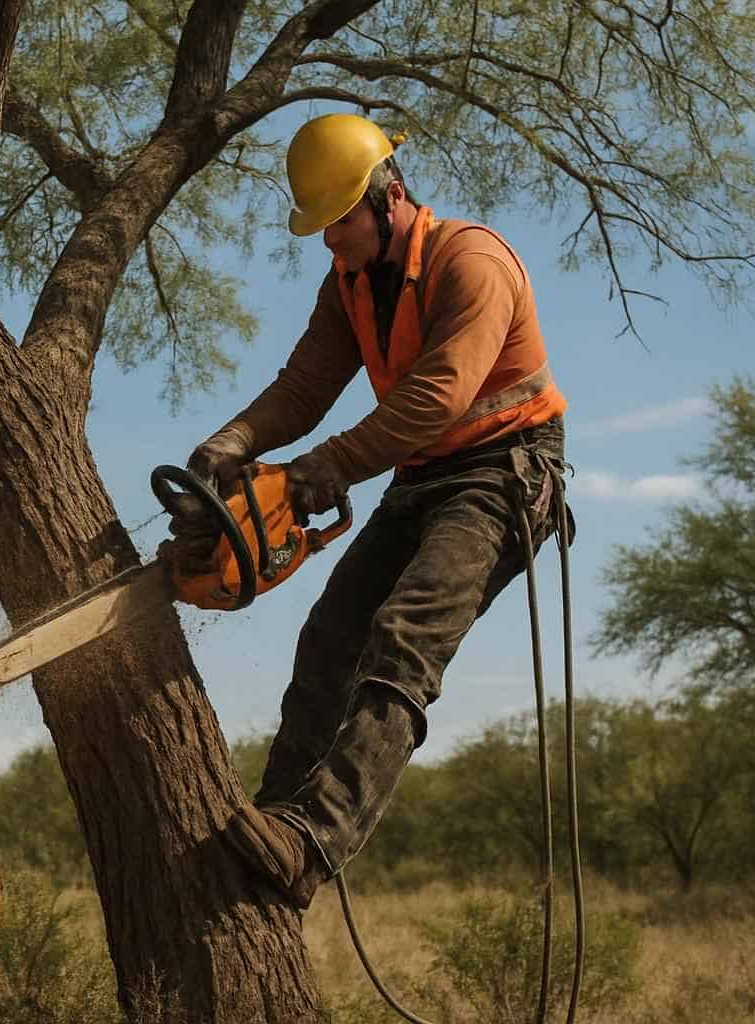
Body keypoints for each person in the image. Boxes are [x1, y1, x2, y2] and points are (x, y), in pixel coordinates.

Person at [176, 113, 573, 910]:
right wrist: (227, 447)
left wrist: (320, 470)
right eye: (320, 229)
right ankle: (277, 818)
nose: (329, 242)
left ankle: (313, 840)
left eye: (338, 224)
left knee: (403, 637)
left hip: (503, 473)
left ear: (388, 197)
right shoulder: (349, 285)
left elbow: (437, 396)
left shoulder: (471, 260)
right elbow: (304, 387)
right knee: (330, 634)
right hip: (419, 475)